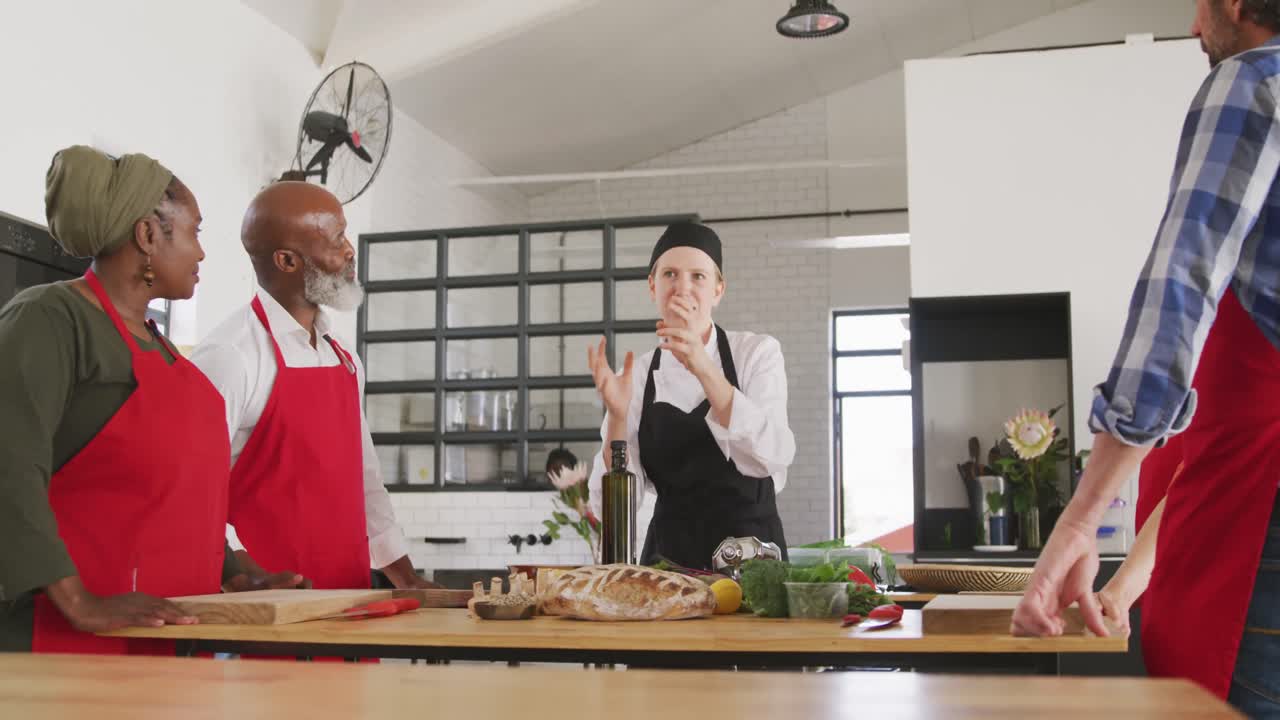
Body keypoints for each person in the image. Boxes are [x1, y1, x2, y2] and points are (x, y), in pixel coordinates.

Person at [1012, 1, 1280, 711]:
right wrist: (1124, 585)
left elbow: (1179, 291)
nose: (1195, 27)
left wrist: (1080, 521)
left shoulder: (1255, 80)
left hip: (1255, 539)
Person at [0, 146, 300, 654]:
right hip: (71, 648)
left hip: (171, 639)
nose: (201, 253)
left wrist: (234, 571)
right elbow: (10, 465)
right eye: (194, 233)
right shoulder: (50, 319)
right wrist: (80, 602)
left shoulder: (161, 346)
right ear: (147, 235)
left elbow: (169, 492)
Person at [191, 181, 434, 592]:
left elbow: (366, 481)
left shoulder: (344, 358)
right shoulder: (230, 356)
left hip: (349, 597)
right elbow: (195, 491)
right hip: (269, 608)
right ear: (287, 260)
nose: (350, 250)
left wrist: (407, 579)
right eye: (336, 239)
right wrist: (246, 579)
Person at [585, 221, 795, 569]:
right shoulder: (637, 374)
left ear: (718, 289)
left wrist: (703, 367)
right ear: (652, 286)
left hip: (753, 564)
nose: (682, 287)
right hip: (667, 567)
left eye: (698, 276)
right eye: (670, 274)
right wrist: (618, 419)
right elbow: (614, 507)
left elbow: (771, 457)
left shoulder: (756, 353)